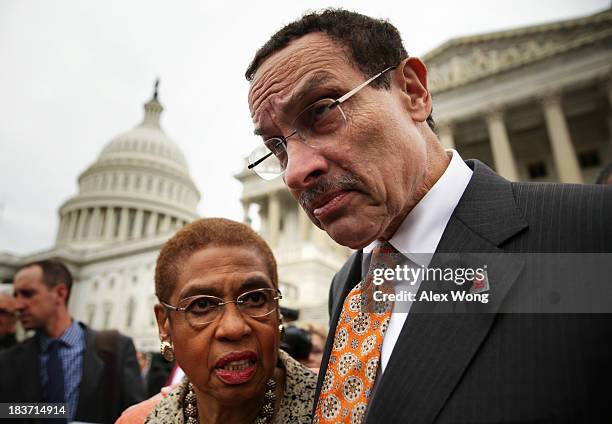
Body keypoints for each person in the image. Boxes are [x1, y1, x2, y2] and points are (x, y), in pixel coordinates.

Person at [245, 9, 612, 423]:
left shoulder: (592, 235)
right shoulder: (346, 289)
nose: (294, 171)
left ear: (413, 92)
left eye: (322, 110)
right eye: (277, 146)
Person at [117, 218, 316, 423]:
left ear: (278, 313)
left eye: (254, 299)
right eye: (202, 305)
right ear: (164, 325)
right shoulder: (139, 420)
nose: (234, 328)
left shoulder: (341, 404)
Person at [0, 259, 145, 423]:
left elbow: (137, 415)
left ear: (60, 293)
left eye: (28, 294)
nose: (17, 305)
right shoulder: (8, 359)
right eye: (16, 295)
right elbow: (6, 411)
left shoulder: (116, 349)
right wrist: (53, 412)